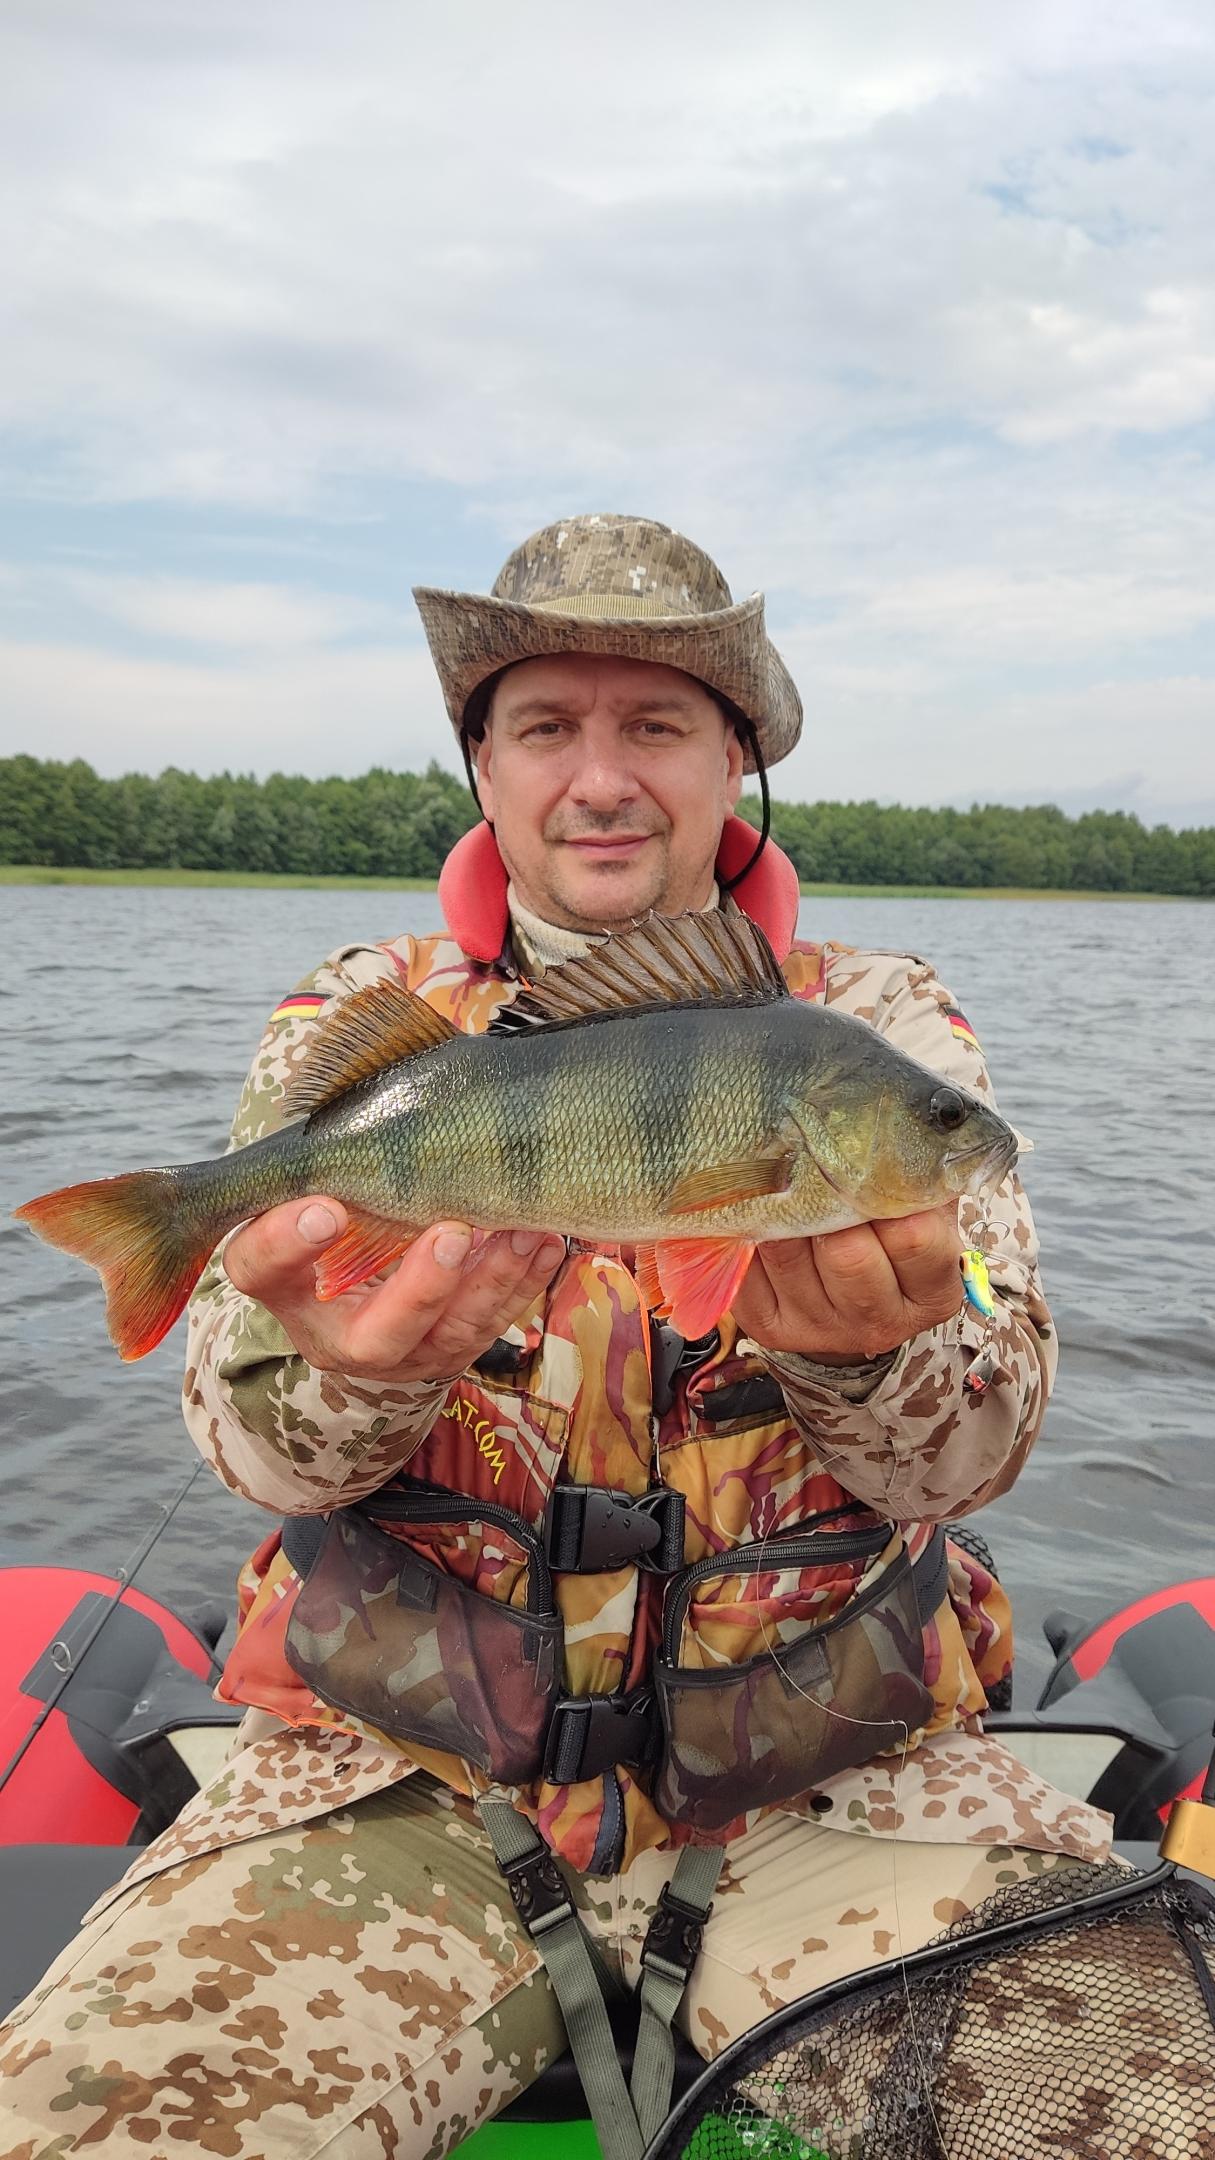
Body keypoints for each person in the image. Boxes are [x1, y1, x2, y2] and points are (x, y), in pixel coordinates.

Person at [0, 516, 1109, 2160]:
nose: (601, 779)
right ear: (483, 765)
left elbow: (983, 1448)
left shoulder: (878, 1029)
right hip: (397, 1785)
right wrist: (353, 1376)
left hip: (841, 1792)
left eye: (656, 723)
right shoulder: (363, 1014)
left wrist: (871, 1364)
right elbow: (247, 1454)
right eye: (544, 726)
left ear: (736, 759)